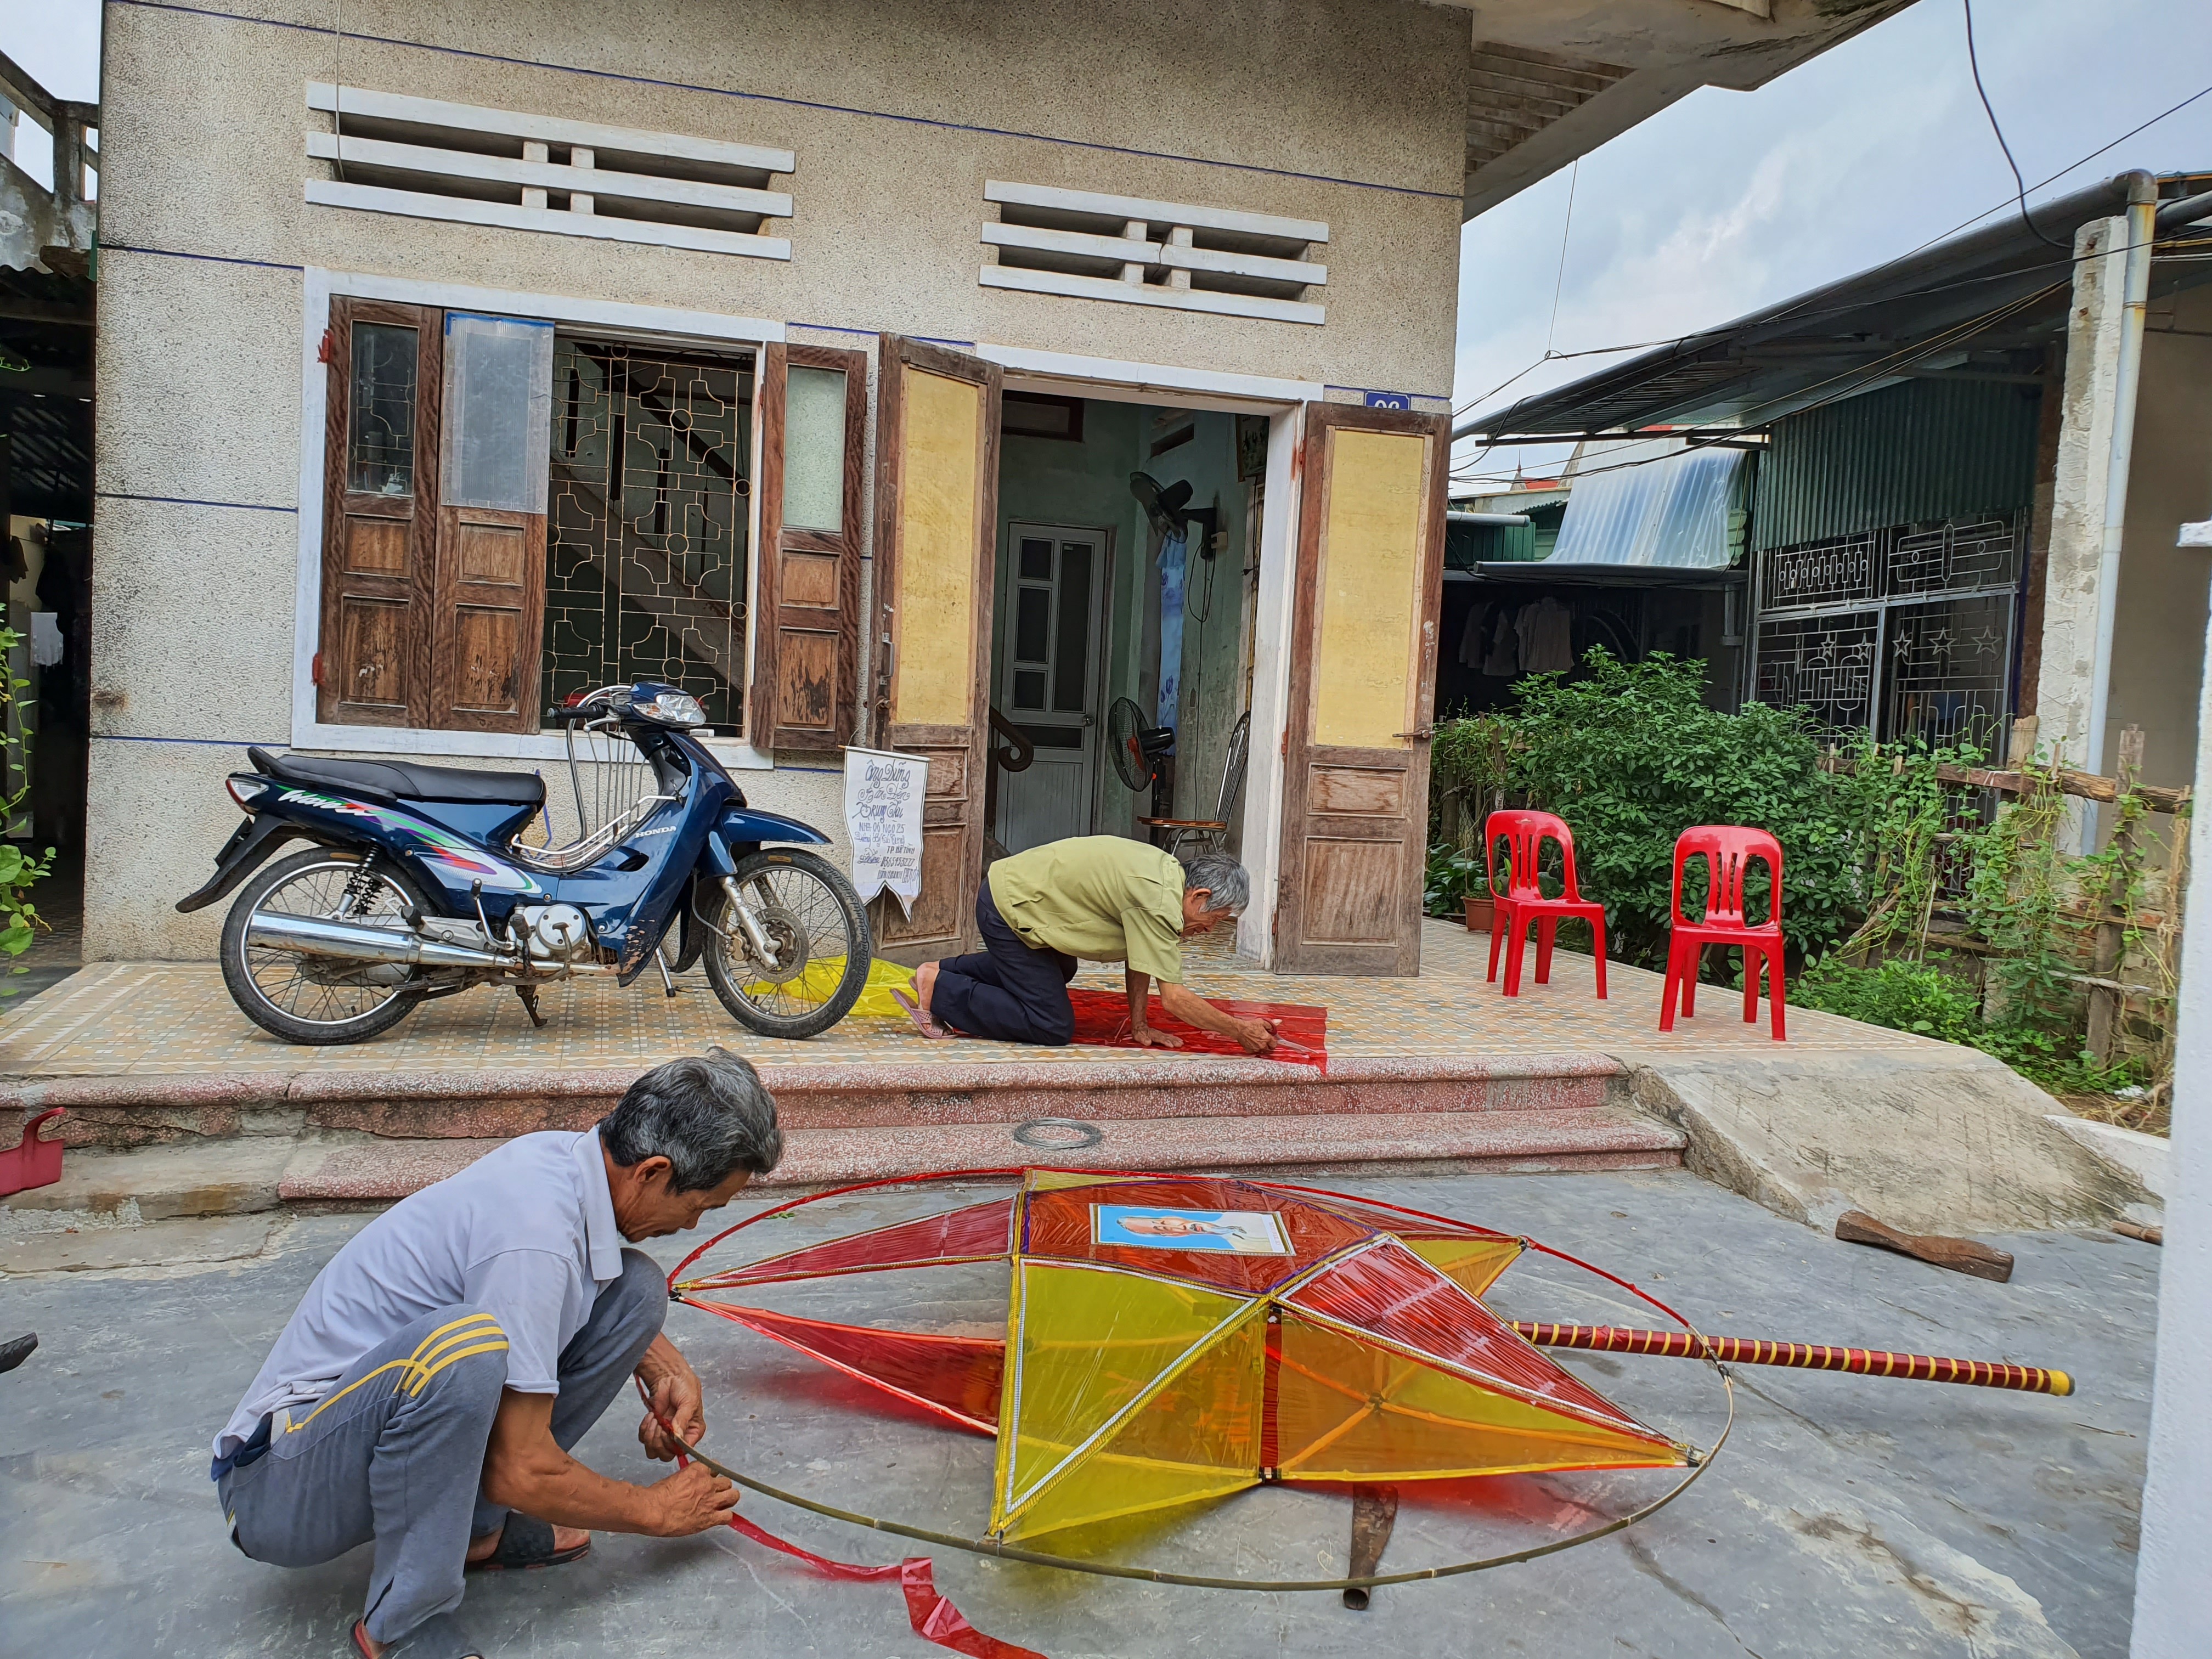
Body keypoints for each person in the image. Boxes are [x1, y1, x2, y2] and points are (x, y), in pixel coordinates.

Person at [211, 1051, 777, 1659]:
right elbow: (519, 1466)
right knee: (465, 1352)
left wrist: (669, 1368)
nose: (693, 1225)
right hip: (278, 1486)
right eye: (701, 1205)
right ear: (653, 1171)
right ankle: (404, 1621)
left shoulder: (570, 1162)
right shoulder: (534, 1235)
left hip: (357, 1444)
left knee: (635, 1292)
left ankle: (476, 1532)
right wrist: (654, 1511)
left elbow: (568, 1293)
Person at [892, 840, 1275, 1056]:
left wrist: (1140, 1025)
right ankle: (941, 989)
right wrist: (1239, 1031)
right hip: (1008, 906)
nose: (1210, 930)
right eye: (1217, 919)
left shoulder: (1166, 877)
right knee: (1052, 1025)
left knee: (1061, 970)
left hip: (1014, 891)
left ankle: (944, 971)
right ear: (1199, 896)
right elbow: (1174, 998)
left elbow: (1141, 957)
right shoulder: (1159, 901)